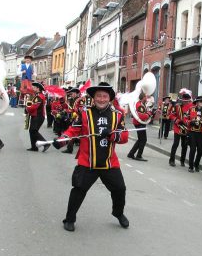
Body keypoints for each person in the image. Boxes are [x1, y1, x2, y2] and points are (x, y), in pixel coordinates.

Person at [52, 82, 129, 232]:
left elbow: (124, 136)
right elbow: (73, 130)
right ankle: (69, 219)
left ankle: (118, 213)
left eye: (105, 96)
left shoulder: (118, 115)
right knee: (78, 189)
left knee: (120, 189)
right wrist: (62, 140)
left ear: (110, 98)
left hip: (109, 162)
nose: (101, 99)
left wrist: (112, 134)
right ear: (93, 98)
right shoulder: (84, 113)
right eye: (98, 96)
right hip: (87, 161)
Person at [169, 92, 193, 167]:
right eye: (184, 101)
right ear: (182, 100)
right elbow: (171, 115)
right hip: (178, 127)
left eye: (187, 101)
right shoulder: (177, 106)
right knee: (175, 144)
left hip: (186, 128)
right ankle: (171, 160)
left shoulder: (192, 107)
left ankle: (182, 160)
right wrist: (177, 121)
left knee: (184, 145)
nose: (185, 102)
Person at [127, 92, 152, 161]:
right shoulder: (140, 105)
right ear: (143, 97)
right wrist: (149, 113)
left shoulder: (142, 104)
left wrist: (150, 112)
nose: (146, 98)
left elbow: (145, 113)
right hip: (139, 123)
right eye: (145, 97)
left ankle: (131, 153)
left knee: (140, 139)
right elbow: (142, 116)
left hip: (140, 123)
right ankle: (139, 155)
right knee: (143, 140)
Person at [186, 96, 202, 172]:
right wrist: (190, 122)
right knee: (192, 149)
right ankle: (191, 166)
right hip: (192, 132)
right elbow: (185, 119)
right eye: (201, 101)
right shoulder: (191, 109)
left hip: (201, 133)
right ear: (197, 102)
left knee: (200, 150)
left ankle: (196, 164)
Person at [26, 82, 49, 152]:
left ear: (38, 88)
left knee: (34, 131)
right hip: (36, 116)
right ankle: (34, 147)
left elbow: (34, 107)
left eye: (34, 87)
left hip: (38, 116)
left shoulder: (39, 96)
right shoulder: (38, 95)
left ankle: (46, 143)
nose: (33, 88)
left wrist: (27, 108)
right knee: (32, 131)